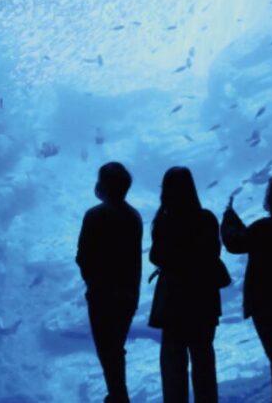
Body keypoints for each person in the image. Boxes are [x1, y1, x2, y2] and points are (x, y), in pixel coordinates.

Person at [222, 177, 272, 402]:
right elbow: (248, 237)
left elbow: (235, 243)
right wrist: (234, 219)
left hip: (262, 301)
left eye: (268, 192)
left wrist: (228, 217)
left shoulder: (264, 228)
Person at [148, 166, 223, 403]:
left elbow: (156, 256)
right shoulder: (207, 219)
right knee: (203, 360)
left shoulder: (163, 221)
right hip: (203, 299)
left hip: (174, 302)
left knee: (173, 366)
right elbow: (214, 252)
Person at [76, 162, 143, 403]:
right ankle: (117, 394)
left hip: (102, 295)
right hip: (127, 295)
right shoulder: (134, 216)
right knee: (116, 348)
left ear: (104, 186)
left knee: (107, 350)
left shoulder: (94, 215)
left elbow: (83, 256)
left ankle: (118, 396)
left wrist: (92, 281)